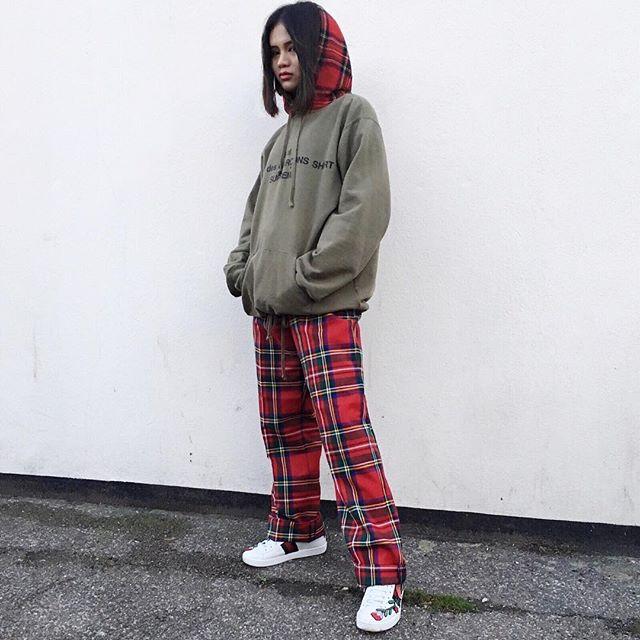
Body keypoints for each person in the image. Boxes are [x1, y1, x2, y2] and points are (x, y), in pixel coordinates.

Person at [223, 2, 407, 632]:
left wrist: (305, 277)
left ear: (321, 49)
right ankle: (299, 530)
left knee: (346, 438)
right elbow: (254, 217)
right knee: (284, 431)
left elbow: (364, 214)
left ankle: (382, 573)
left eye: (291, 48)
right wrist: (243, 271)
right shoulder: (278, 142)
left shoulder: (355, 118)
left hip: (323, 307)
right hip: (271, 309)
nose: (281, 62)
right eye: (273, 52)